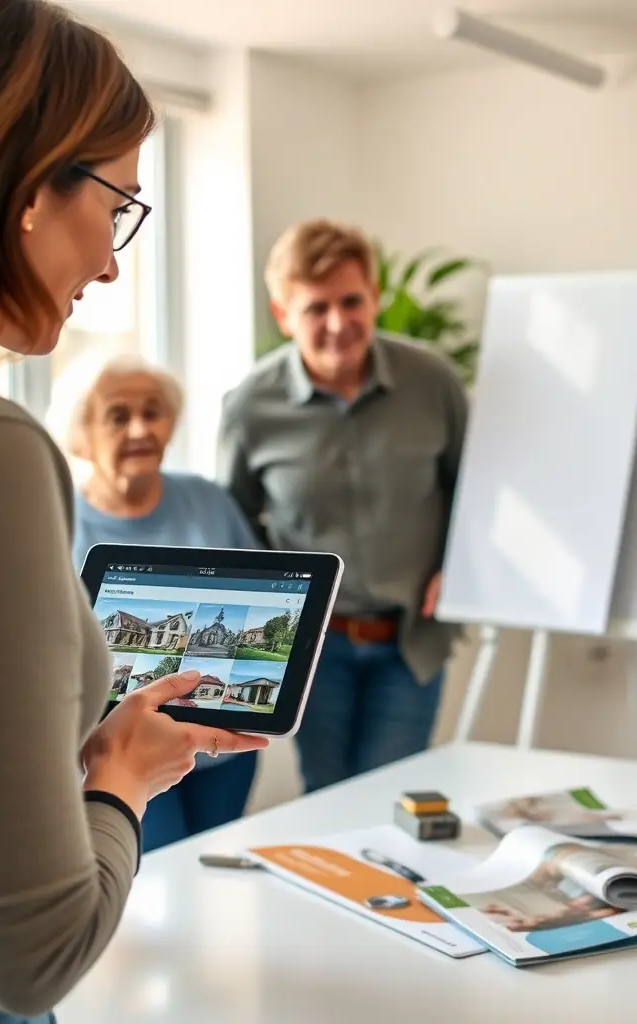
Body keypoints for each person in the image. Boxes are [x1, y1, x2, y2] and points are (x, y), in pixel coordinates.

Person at [0, 2, 268, 1023]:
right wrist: (120, 773)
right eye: (117, 207)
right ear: (33, 189)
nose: (114, 260)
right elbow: (29, 956)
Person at [218, 218, 468, 793]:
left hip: (410, 641)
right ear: (283, 315)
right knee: (327, 798)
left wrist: (463, 566)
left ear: (376, 297)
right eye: (315, 308)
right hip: (312, 650)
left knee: (391, 797)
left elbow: (473, 494)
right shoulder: (250, 407)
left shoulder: (434, 383)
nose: (338, 323)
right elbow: (235, 522)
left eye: (352, 301)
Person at [47, 355, 261, 852]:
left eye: (153, 412)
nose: (141, 428)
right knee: (154, 872)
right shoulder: (55, 522)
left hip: (221, 748)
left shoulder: (209, 500)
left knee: (211, 866)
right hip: (125, 750)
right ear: (81, 434)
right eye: (118, 415)